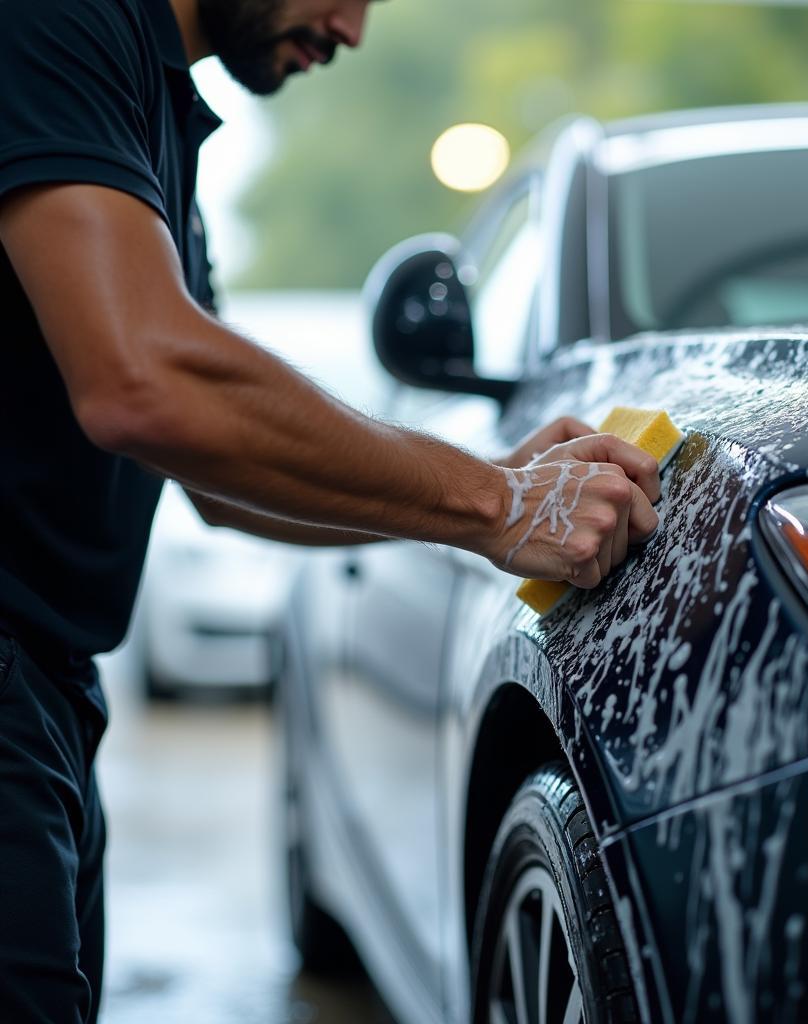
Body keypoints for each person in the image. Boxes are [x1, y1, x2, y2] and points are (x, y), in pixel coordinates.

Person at [0, 1, 661, 1020]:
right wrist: (494, 501)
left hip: (49, 689)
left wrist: (482, 480)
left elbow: (219, 479)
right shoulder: (58, 23)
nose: (351, 30)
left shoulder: (152, 121)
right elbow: (144, 380)